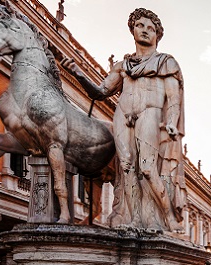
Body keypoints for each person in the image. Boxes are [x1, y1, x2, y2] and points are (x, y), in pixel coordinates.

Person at [63, 8, 185, 233]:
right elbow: (101, 92)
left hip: (151, 113)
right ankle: (135, 220)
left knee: (148, 168)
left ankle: (169, 218)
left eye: (151, 28)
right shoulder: (122, 66)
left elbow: (174, 99)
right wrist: (78, 73)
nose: (145, 31)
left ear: (158, 34)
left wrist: (172, 121)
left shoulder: (166, 63)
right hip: (123, 114)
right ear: (133, 30)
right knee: (126, 167)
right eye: (140, 26)